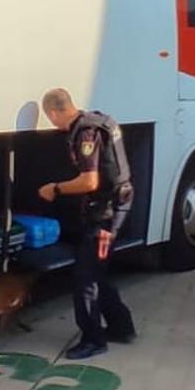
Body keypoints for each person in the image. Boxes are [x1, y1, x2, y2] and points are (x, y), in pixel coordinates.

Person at [38, 88, 137, 360]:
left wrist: (55, 189)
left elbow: (90, 181)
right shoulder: (95, 121)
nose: (52, 124)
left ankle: (93, 339)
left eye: (50, 118)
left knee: (86, 278)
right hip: (111, 205)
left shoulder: (85, 133)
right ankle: (121, 326)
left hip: (107, 213)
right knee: (97, 271)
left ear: (55, 112)